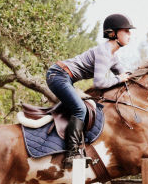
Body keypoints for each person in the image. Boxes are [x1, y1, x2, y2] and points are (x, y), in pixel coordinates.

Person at [46, 13, 135, 168]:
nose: (130, 34)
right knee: (80, 109)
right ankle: (72, 154)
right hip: (58, 75)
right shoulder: (104, 51)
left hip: (64, 77)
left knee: (86, 107)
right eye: (126, 30)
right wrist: (120, 79)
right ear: (113, 33)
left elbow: (125, 74)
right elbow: (100, 82)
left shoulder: (112, 55)